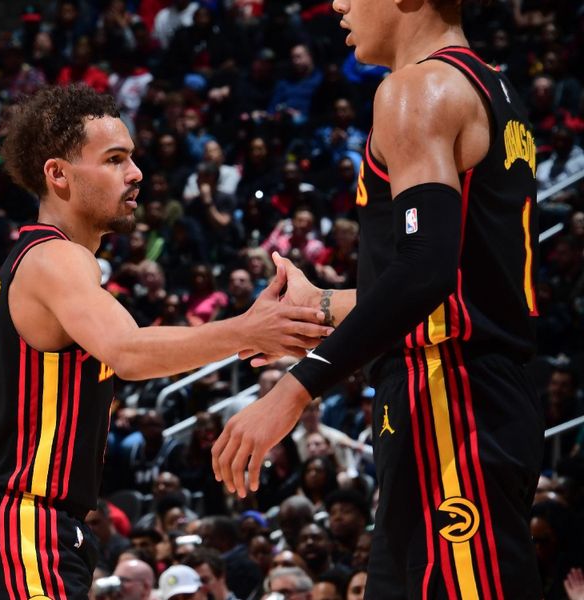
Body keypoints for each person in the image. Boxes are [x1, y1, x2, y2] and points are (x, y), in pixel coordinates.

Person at [211, 0, 544, 597]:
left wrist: (293, 389)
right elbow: (460, 284)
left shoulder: (417, 88)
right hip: (475, 394)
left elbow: (425, 273)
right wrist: (321, 310)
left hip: (452, 398)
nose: (337, 3)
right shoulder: (493, 88)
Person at [0, 84, 331, 600]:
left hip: (26, 521)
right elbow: (127, 352)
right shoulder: (55, 258)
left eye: (132, 158)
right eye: (114, 160)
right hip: (23, 519)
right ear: (58, 174)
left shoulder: (44, 259)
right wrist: (248, 329)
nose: (136, 174)